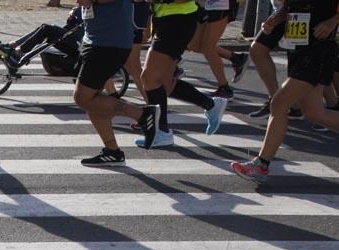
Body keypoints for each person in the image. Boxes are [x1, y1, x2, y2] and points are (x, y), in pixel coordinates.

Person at [230, 0, 339, 183]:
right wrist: (275, 19)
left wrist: (333, 21)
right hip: (298, 46)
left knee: (279, 103)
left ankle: (261, 165)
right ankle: (261, 165)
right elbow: (290, 6)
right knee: (314, 113)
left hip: (319, 48)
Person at [72, 0, 159, 165]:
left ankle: (143, 115)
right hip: (95, 38)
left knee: (82, 97)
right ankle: (112, 151)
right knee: (92, 100)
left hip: (108, 42)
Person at [136, 0, 226, 147]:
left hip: (178, 21)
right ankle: (211, 104)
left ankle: (161, 131)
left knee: (149, 78)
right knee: (165, 83)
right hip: (167, 20)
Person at [187, 0, 246, 99]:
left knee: (208, 48)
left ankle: (224, 87)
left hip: (220, 6)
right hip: (204, 6)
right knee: (194, 45)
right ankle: (236, 58)